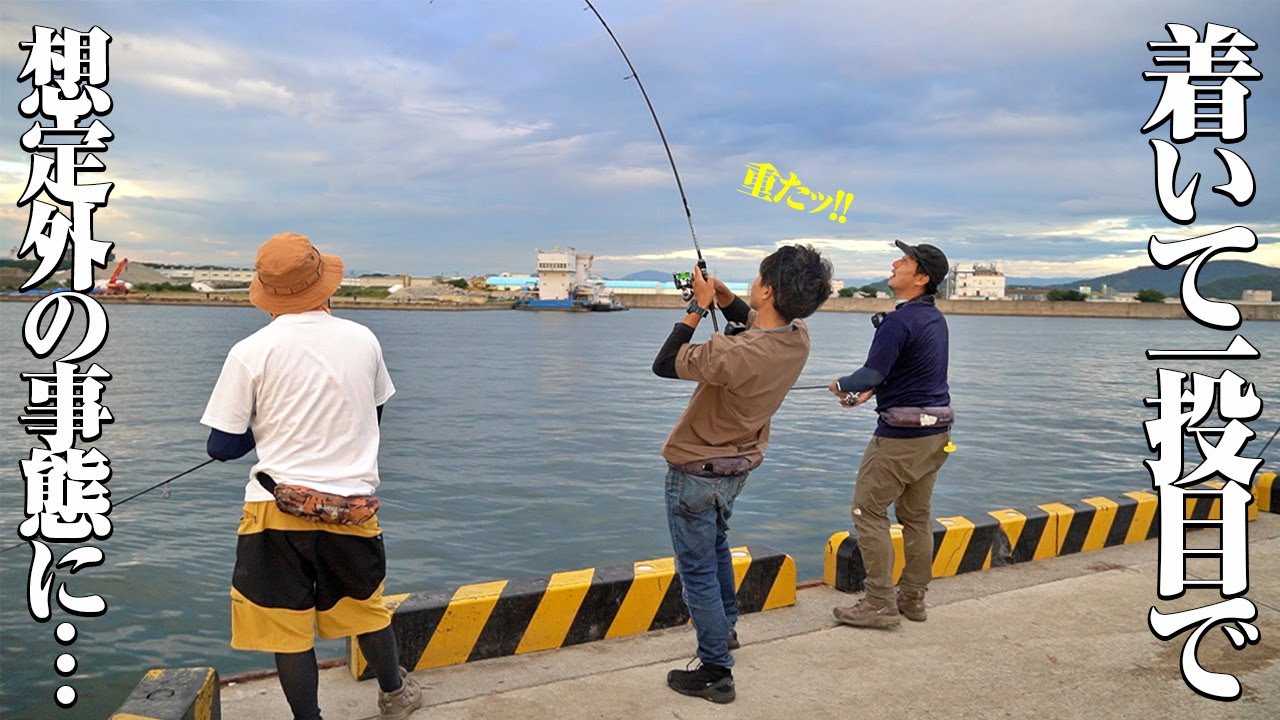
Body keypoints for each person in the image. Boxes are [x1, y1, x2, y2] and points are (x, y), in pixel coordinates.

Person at [200, 232, 422, 720]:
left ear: (267, 294)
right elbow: (373, 414)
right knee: (366, 610)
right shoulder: (363, 339)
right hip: (350, 508)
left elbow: (221, 446)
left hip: (275, 509)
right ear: (325, 287)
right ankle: (395, 695)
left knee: (286, 629)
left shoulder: (250, 351)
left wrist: (270, 426)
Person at [652, 246, 833, 703]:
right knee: (716, 549)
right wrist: (726, 299)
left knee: (697, 571)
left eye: (757, 280)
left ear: (768, 289)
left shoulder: (729, 353)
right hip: (737, 468)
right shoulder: (798, 338)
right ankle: (726, 629)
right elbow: (759, 322)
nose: (753, 286)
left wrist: (696, 308)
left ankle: (715, 669)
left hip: (695, 469)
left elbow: (665, 362)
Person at [828, 240, 953, 629]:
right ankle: (912, 599)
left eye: (905, 260)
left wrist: (841, 384)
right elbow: (907, 373)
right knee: (916, 517)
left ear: (921, 277)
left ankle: (880, 601)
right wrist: (873, 390)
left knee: (867, 510)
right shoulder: (933, 318)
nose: (895, 263)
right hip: (937, 433)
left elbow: (869, 374)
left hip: (900, 438)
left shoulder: (898, 321)